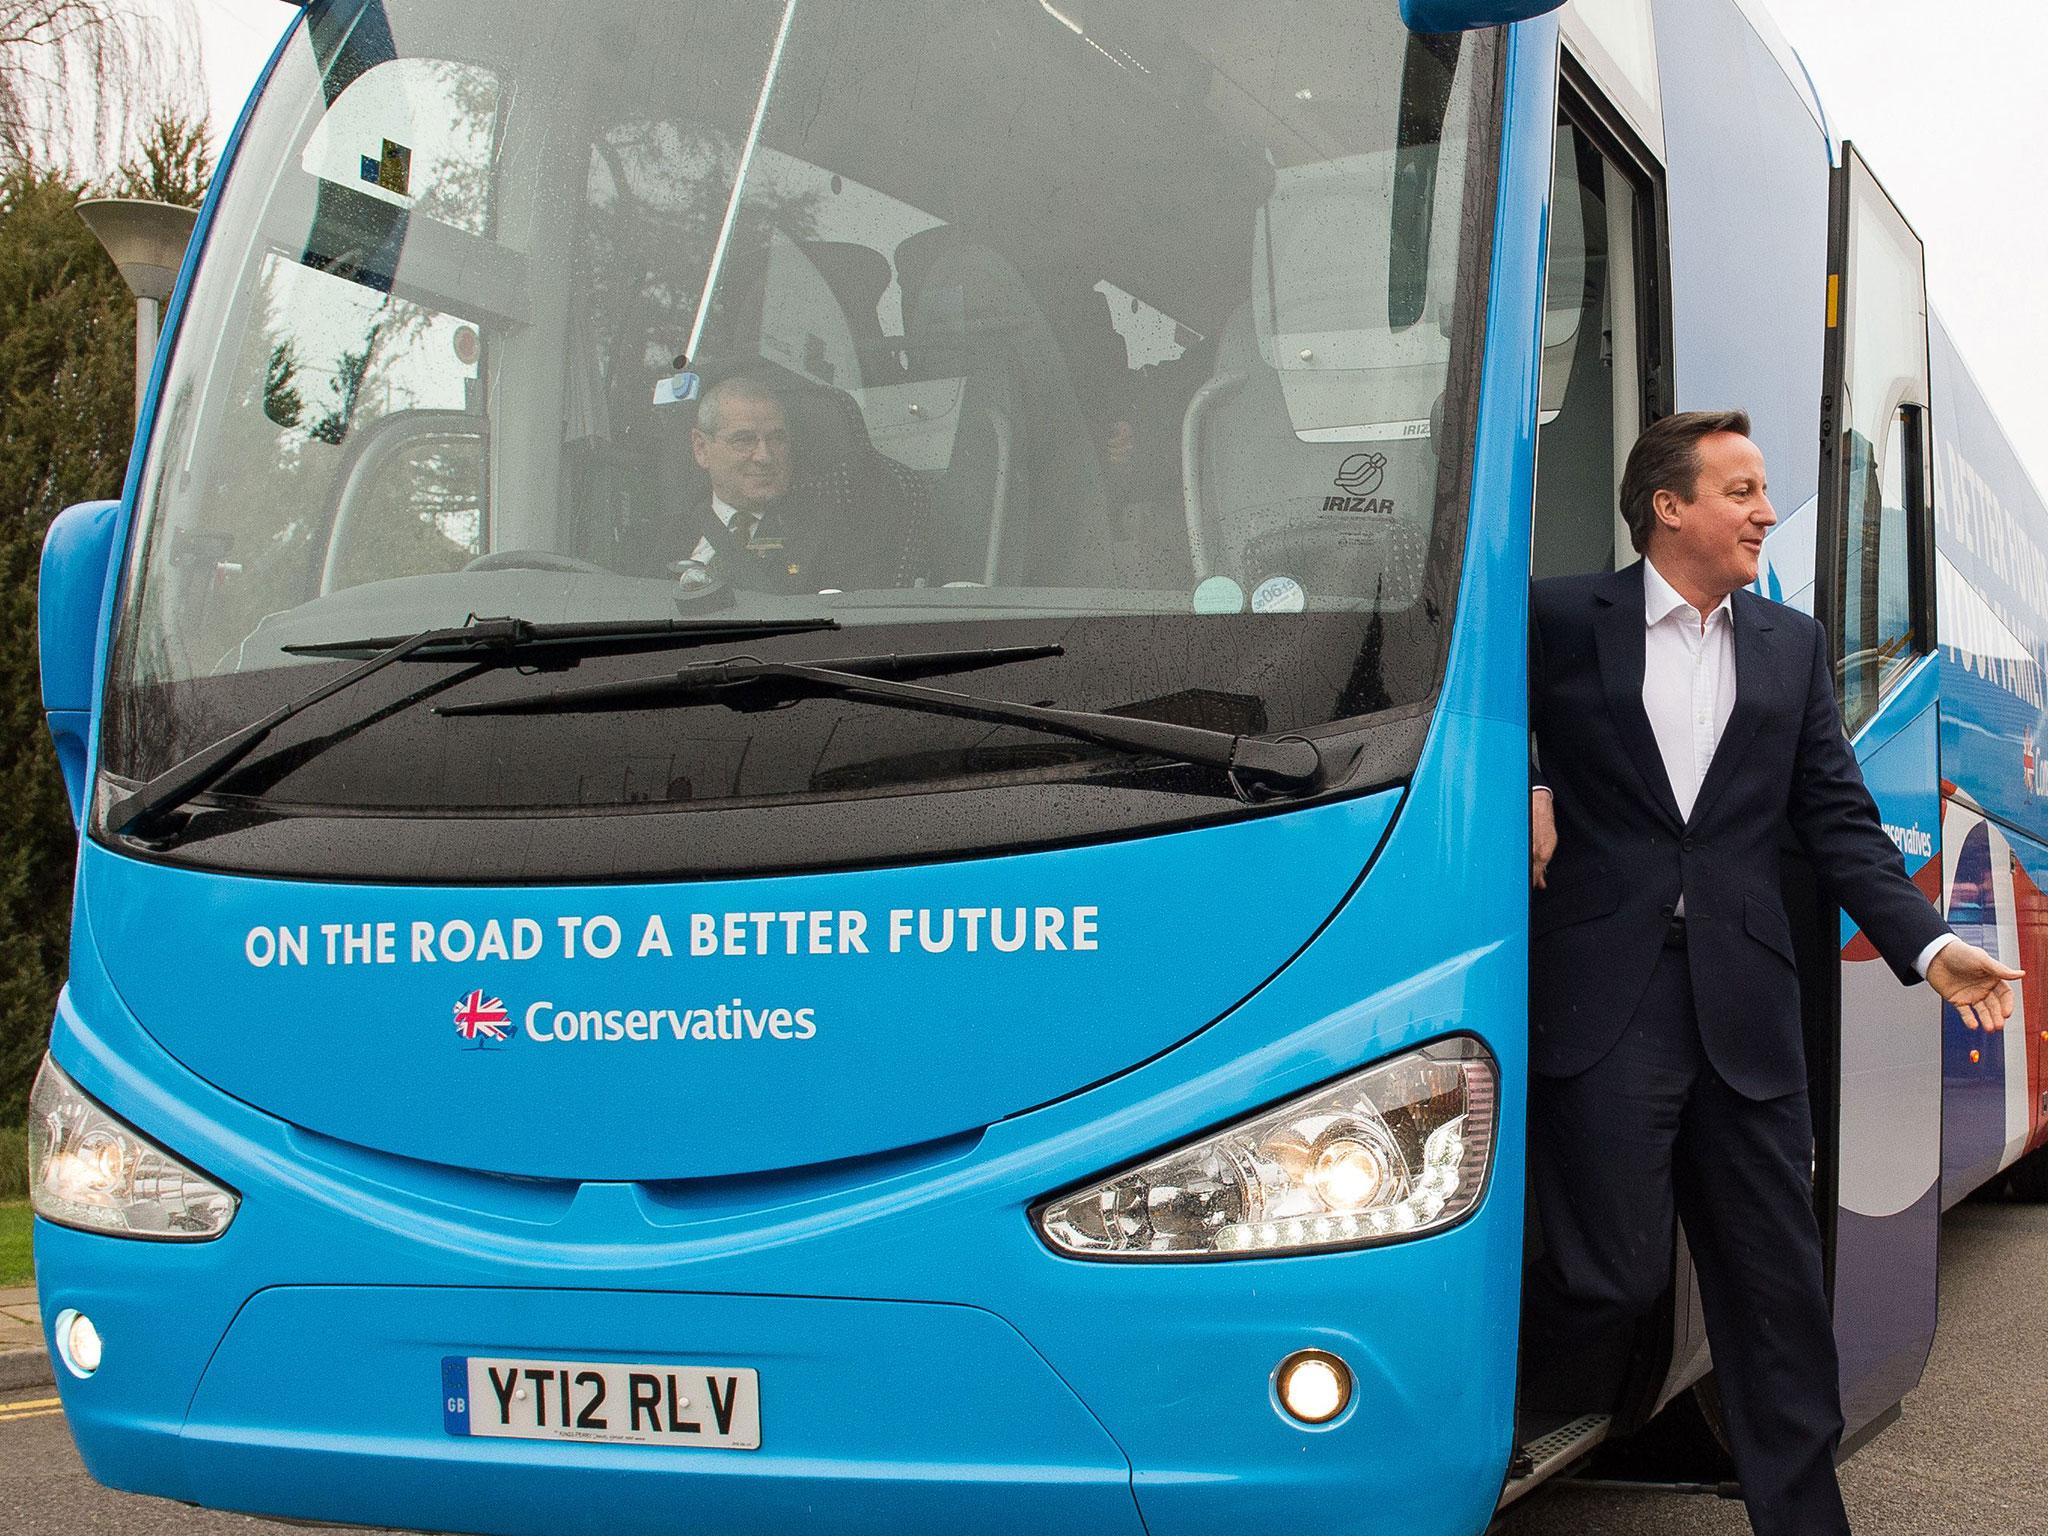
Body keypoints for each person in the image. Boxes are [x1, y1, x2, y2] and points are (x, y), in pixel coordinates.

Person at [1524, 409, 2020, 1536]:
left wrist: (1929, 946)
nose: (1762, 513)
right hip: (1608, 1001)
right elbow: (1475, 717)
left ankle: (1802, 1522)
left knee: (1775, 1293)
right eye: (1741, 492)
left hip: (1746, 1008)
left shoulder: (1786, 647)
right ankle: (1491, 1427)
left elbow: (1837, 823)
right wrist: (1528, 780)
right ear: (1667, 506)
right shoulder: (1557, 617)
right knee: (1609, 1274)